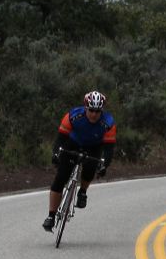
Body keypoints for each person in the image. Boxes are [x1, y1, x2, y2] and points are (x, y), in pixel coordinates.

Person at [42, 91, 117, 231]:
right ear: (85, 107)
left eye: (97, 111)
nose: (94, 114)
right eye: (91, 110)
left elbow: (108, 149)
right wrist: (56, 153)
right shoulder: (73, 116)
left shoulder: (108, 123)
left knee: (90, 167)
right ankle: (51, 216)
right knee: (60, 179)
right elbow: (61, 138)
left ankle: (82, 191)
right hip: (73, 144)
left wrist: (104, 165)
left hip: (94, 147)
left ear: (102, 110)